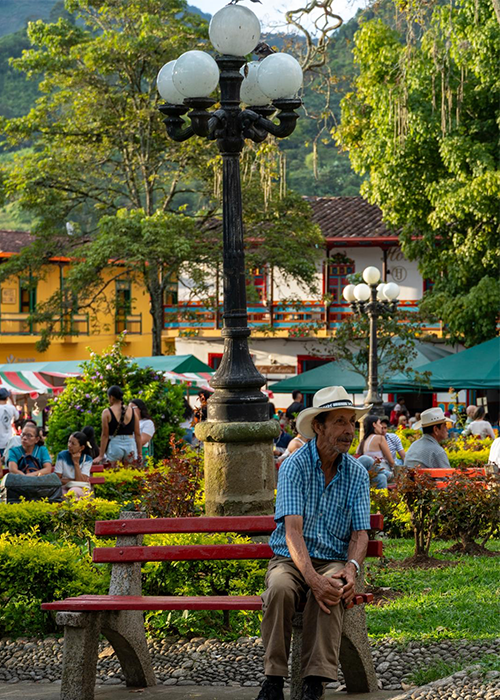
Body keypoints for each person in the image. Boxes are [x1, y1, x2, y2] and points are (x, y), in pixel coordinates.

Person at [255, 386, 371, 700]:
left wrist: (351, 569)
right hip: (291, 559)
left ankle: (314, 683)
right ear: (318, 426)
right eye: (339, 422)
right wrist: (312, 580)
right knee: (279, 589)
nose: (349, 430)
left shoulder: (358, 474)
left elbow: (361, 534)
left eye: (351, 422)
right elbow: (292, 533)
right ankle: (273, 680)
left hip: (333, 558)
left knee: (332, 588)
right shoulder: (294, 465)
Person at [94, 386, 141, 464]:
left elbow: (105, 435)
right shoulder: (132, 411)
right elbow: (138, 434)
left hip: (115, 445)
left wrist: (101, 455)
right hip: (130, 445)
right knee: (131, 473)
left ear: (111, 397)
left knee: (113, 472)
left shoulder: (107, 412)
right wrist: (140, 453)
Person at [356, 415, 395, 487]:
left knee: (381, 477)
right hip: (382, 469)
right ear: (374, 425)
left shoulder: (363, 441)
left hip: (369, 473)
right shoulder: (379, 438)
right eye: (379, 423)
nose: (381, 426)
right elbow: (391, 461)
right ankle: (388, 474)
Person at [55, 432, 92, 499]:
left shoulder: (87, 459)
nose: (69, 445)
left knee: (73, 491)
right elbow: (57, 479)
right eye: (69, 442)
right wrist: (75, 480)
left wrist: (76, 463)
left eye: (73, 444)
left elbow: (80, 483)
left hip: (82, 489)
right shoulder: (62, 456)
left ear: (82, 447)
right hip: (64, 488)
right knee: (68, 494)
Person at [0, 388, 19, 462]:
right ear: (7, 397)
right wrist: (12, 400)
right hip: (8, 442)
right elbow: (17, 417)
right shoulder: (12, 408)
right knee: (8, 464)